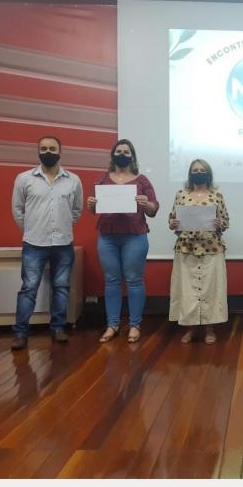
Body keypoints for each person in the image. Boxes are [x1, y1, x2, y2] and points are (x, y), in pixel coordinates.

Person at [10, 135, 83, 350]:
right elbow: (17, 209)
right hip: (34, 244)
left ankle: (58, 328)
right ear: (38, 151)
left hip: (63, 243)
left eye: (52, 148)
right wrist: (32, 228)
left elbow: (77, 210)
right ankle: (21, 332)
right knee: (29, 288)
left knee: (61, 288)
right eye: (44, 148)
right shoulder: (24, 179)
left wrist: (63, 226)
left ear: (60, 151)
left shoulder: (73, 180)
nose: (48, 152)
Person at [86, 139, 159, 344]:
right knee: (111, 281)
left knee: (134, 280)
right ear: (113, 155)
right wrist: (91, 204)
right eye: (119, 151)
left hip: (135, 236)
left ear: (132, 156)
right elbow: (93, 210)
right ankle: (112, 325)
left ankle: (135, 325)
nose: (123, 154)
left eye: (127, 151)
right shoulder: (103, 180)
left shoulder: (142, 180)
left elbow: (153, 210)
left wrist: (146, 204)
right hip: (107, 237)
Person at [168, 159, 230, 344]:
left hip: (212, 249)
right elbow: (172, 221)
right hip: (186, 248)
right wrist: (174, 224)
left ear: (208, 174)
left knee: (212, 290)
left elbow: (225, 221)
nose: (198, 172)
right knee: (187, 290)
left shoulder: (217, 196)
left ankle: (210, 329)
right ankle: (190, 328)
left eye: (202, 170)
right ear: (190, 174)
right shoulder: (181, 195)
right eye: (195, 170)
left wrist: (220, 224)